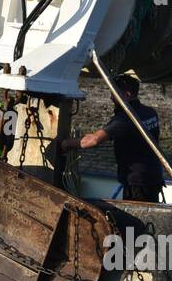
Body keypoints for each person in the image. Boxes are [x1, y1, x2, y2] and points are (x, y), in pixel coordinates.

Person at [60, 74, 164, 202]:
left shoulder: (125, 118)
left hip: (137, 182)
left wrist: (66, 143)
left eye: (114, 94)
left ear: (127, 94)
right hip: (154, 176)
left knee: (137, 220)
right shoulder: (150, 112)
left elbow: (93, 140)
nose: (111, 98)